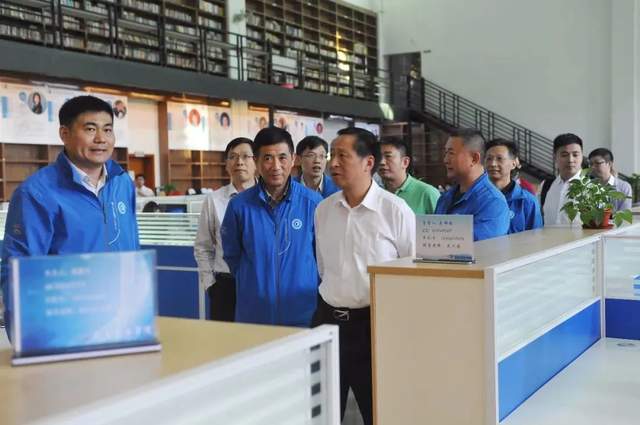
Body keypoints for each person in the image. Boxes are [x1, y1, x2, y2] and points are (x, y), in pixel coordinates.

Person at [1, 95, 139, 336]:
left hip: (122, 320)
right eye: (90, 129)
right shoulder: (37, 193)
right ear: (64, 134)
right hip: (66, 325)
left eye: (107, 129)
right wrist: (27, 337)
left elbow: (132, 248)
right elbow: (19, 271)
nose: (101, 139)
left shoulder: (122, 182)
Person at [314, 127, 415, 425]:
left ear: (368, 162)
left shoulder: (395, 211)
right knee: (322, 411)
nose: (333, 163)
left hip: (373, 325)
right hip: (328, 322)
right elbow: (323, 267)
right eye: (332, 155)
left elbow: (413, 275)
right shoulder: (324, 210)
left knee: (378, 411)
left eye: (342, 156)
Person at [221, 127, 322, 326]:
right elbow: (232, 256)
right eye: (267, 158)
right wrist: (255, 282)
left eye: (282, 157)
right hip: (254, 314)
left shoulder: (313, 204)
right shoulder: (239, 206)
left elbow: (323, 259)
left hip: (303, 314)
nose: (276, 166)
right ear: (256, 161)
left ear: (293, 159)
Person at [194, 138, 256, 322]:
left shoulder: (265, 197)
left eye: (245, 156)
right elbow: (203, 246)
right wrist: (210, 284)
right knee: (223, 337)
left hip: (259, 282)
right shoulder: (214, 200)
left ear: (256, 162)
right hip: (225, 286)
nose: (239, 162)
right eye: (233, 157)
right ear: (227, 164)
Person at [435, 128, 510, 241]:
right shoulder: (445, 198)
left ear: (474, 159)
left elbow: (482, 247)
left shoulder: (493, 202)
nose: (445, 160)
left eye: (451, 153)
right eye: (445, 153)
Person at [485, 139, 542, 233]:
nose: (493, 164)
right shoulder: (474, 198)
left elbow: (536, 237)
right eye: (489, 159)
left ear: (514, 163)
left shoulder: (527, 201)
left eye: (499, 158)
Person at [378, 137, 440, 214]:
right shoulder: (375, 192)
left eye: (388, 156)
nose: (381, 162)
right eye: (378, 157)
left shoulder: (427, 193)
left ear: (405, 162)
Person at [539, 133, 584, 225]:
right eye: (564, 155)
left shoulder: (593, 187)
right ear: (555, 157)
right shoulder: (546, 186)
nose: (570, 160)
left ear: (582, 156)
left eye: (575, 155)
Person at [588, 148, 632, 212]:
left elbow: (625, 213)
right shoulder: (588, 186)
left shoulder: (624, 187)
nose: (593, 167)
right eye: (591, 164)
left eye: (597, 163)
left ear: (609, 164)